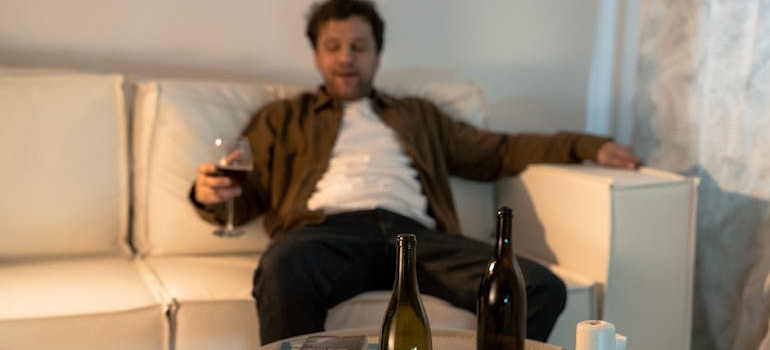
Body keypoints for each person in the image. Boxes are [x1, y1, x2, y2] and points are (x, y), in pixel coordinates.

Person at [191, 0, 642, 345]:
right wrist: (208, 195)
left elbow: (499, 150)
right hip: (324, 234)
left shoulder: (417, 115)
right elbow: (243, 195)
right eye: (333, 47)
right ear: (317, 56)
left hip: (418, 238)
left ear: (377, 55)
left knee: (540, 287)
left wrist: (586, 145)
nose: (346, 57)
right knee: (282, 267)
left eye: (359, 46)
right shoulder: (282, 117)